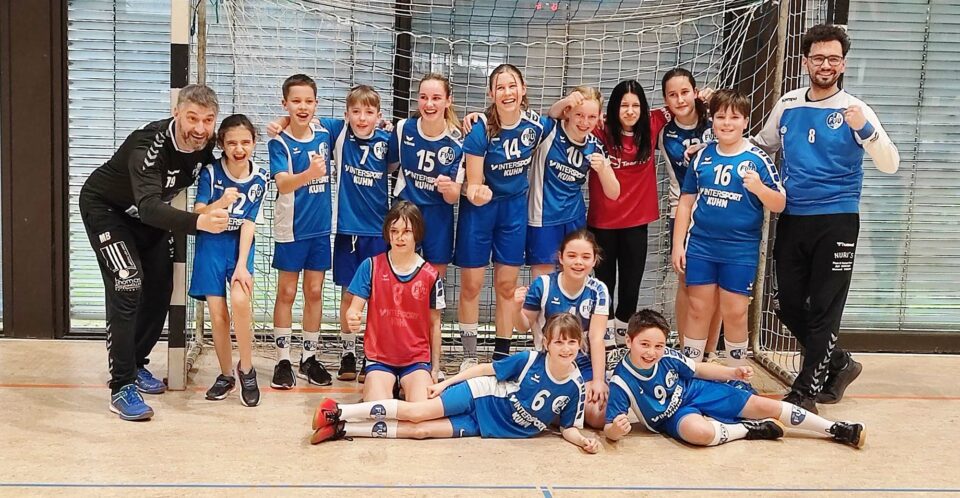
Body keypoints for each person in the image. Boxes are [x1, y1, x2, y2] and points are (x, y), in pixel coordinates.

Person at [753, 24, 900, 412]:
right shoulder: (787, 104)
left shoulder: (855, 109)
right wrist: (717, 144)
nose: (826, 65)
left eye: (834, 58)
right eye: (818, 58)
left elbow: (891, 163)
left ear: (843, 64)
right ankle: (840, 363)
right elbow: (762, 147)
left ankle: (805, 392)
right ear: (806, 62)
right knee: (786, 305)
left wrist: (865, 130)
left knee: (823, 308)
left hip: (837, 219)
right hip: (793, 217)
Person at [79, 84, 229, 420]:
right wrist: (200, 222)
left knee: (162, 287)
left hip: (148, 218)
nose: (200, 128)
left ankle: (135, 364)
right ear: (176, 113)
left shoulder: (206, 142)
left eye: (208, 120)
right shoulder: (148, 145)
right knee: (128, 282)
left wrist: (277, 129)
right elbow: (148, 207)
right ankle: (121, 386)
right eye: (192, 118)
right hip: (108, 211)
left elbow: (238, 141)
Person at [309, 313, 600, 455]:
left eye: (571, 342)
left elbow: (568, 427)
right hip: (478, 395)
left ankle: (343, 429)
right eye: (559, 342)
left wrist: (584, 441)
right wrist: (445, 383)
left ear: (580, 345)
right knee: (417, 412)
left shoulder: (576, 386)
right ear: (546, 343)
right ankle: (337, 410)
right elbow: (485, 369)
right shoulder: (530, 360)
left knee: (421, 431)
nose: (566, 348)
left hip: (485, 425)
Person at [603, 309, 866, 448]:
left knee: (764, 405)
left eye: (658, 346)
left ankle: (835, 428)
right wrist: (616, 431)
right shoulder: (621, 382)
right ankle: (750, 429)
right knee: (699, 434)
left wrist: (731, 372)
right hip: (672, 418)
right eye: (645, 345)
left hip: (696, 391)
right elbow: (609, 428)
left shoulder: (668, 356)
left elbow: (698, 369)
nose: (651, 352)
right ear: (629, 341)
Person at [672, 89, 786, 369]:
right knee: (698, 309)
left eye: (734, 117)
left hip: (739, 250)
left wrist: (759, 188)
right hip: (701, 246)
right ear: (712, 120)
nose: (727, 123)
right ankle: (693, 371)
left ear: (745, 121)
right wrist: (678, 245)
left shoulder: (757, 159)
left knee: (735, 312)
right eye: (721, 117)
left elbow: (780, 202)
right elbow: (685, 203)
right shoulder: (702, 156)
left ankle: (738, 374)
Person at [455, 63, 549, 371]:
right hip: (480, 212)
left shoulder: (536, 126)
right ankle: (469, 355)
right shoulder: (480, 130)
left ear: (523, 89)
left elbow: (562, 117)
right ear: (491, 94)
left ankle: (502, 354)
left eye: (512, 86)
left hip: (513, 211)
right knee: (471, 285)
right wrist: (476, 191)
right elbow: (473, 184)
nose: (507, 92)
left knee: (507, 286)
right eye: (500, 87)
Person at [189, 114, 268, 407]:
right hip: (211, 244)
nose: (239, 148)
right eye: (232, 143)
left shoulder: (260, 177)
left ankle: (246, 369)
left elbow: (249, 222)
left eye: (245, 142)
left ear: (254, 142)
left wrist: (242, 264)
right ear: (222, 143)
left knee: (240, 300)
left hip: (239, 245)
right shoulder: (211, 173)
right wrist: (221, 202)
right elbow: (198, 212)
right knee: (218, 313)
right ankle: (225, 375)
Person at [587, 80, 669, 344]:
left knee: (630, 289)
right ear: (614, 107)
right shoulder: (600, 130)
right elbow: (563, 116)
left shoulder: (653, 124)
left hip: (636, 223)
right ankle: (605, 344)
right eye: (624, 105)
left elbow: (684, 104)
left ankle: (625, 343)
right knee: (604, 287)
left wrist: (705, 96)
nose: (630, 111)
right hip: (602, 223)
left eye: (636, 105)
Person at [267, 74, 335, 389]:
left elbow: (357, 121)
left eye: (308, 101)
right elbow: (283, 183)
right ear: (285, 104)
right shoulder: (279, 142)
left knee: (315, 292)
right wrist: (310, 173)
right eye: (296, 101)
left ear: (316, 104)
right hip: (291, 228)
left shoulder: (325, 132)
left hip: (320, 229)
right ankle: (283, 360)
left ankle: (309, 357)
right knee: (286, 292)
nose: (302, 106)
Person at [343, 201, 445, 402]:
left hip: (416, 360)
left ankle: (407, 387)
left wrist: (435, 368)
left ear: (417, 233)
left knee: (421, 409)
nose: (399, 237)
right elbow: (354, 308)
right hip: (380, 359)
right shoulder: (371, 266)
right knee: (378, 410)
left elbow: (435, 324)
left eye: (406, 231)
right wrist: (352, 317)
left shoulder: (431, 275)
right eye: (394, 231)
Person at [513, 229, 610, 428]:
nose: (578, 262)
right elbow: (522, 326)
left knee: (599, 416)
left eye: (586, 257)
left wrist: (599, 381)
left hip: (583, 366)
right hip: (548, 365)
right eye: (572, 256)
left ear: (594, 260)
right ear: (561, 257)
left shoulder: (598, 290)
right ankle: (562, 409)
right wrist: (515, 308)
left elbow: (596, 339)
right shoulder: (543, 285)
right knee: (530, 409)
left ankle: (564, 408)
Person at [657, 68, 722, 361]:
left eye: (685, 92)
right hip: (684, 211)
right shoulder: (665, 134)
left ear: (696, 92)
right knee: (686, 280)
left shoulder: (715, 118)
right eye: (673, 95)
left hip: (722, 209)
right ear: (666, 101)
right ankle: (687, 352)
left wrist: (715, 98)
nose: (680, 99)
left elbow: (735, 116)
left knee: (719, 285)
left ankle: (710, 351)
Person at [530, 86, 618, 278]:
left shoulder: (595, 145)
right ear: (568, 112)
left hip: (574, 218)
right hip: (543, 217)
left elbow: (614, 192)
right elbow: (551, 113)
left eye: (591, 117)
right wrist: (566, 101)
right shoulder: (549, 130)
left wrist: (603, 170)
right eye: (579, 115)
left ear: (599, 117)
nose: (585, 122)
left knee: (574, 277)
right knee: (544, 280)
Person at [389, 73, 464, 279]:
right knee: (399, 275)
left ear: (448, 101)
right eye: (423, 97)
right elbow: (388, 167)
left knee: (434, 280)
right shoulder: (403, 129)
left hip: (438, 214)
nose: (429, 104)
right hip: (405, 209)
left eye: (436, 98)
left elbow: (453, 197)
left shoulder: (457, 142)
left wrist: (448, 188)